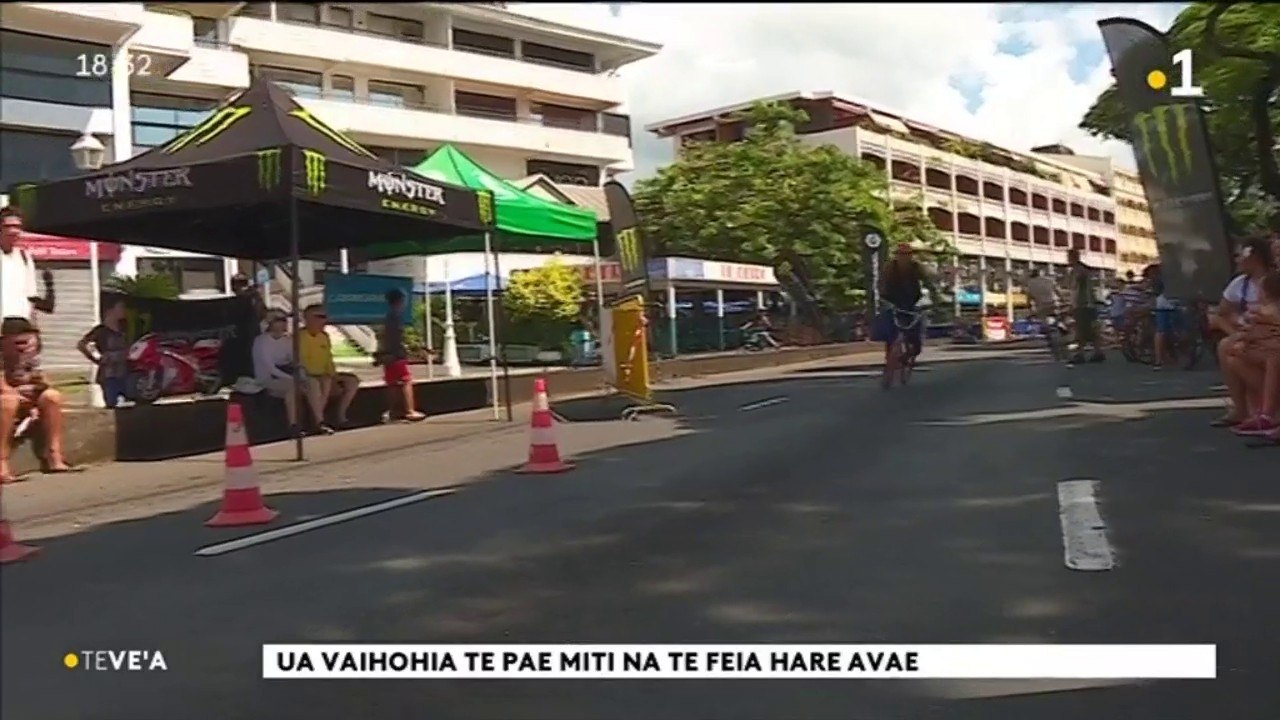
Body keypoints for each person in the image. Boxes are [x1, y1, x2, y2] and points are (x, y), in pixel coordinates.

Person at [1, 317, 76, 480]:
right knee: (8, 402)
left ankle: (53, 454)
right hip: (8, 399)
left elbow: (40, 380)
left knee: (52, 397)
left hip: (25, 398)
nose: (23, 344)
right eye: (17, 340)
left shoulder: (31, 357)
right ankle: (2, 462)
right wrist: (18, 395)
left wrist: (39, 386)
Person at [1212, 238, 1275, 427]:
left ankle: (1267, 408)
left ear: (1252, 256)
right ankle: (1242, 408)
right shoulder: (1240, 283)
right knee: (1228, 347)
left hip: (1269, 334)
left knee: (1233, 349)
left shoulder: (1274, 281)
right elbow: (1221, 314)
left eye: (1240, 255)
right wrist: (1235, 332)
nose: (1237, 260)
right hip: (1251, 333)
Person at [1229, 271, 1280, 437]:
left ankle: (1268, 413)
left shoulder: (1268, 311)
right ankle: (1265, 408)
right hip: (1264, 346)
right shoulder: (1262, 311)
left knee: (1274, 357)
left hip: (1271, 349)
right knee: (1234, 357)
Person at [878, 243, 933, 388]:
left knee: (916, 337)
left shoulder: (917, 267)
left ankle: (910, 354)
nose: (904, 258)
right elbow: (882, 285)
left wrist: (932, 298)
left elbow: (928, 283)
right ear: (896, 255)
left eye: (907, 255)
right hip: (893, 302)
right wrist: (883, 299)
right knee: (888, 330)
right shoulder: (890, 268)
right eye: (900, 255)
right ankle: (889, 359)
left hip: (912, 304)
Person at [298, 303, 358, 433]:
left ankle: (341, 417)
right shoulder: (299, 337)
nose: (323, 320)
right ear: (307, 318)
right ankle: (319, 422)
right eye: (319, 316)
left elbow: (328, 359)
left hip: (325, 374)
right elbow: (300, 361)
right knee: (319, 383)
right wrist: (321, 375)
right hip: (307, 376)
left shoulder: (324, 337)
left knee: (351, 381)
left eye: (324, 317)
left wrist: (333, 374)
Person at [375, 289, 425, 422]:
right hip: (396, 354)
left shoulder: (388, 317)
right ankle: (409, 410)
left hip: (388, 353)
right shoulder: (396, 317)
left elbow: (384, 337)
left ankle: (393, 412)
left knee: (392, 383)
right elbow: (396, 337)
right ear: (401, 301)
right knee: (405, 380)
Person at [252, 310, 301, 436]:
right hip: (267, 379)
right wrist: (291, 378)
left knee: (311, 384)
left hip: (285, 376)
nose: (283, 323)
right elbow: (269, 367)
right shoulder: (261, 341)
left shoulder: (287, 340)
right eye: (278, 320)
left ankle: (318, 421)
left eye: (284, 320)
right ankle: (293, 425)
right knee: (292, 388)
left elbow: (294, 360)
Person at [0, 207, 54, 321]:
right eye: (8, 226)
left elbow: (31, 296)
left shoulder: (24, 256)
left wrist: (50, 287)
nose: (13, 231)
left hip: (19, 324)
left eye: (17, 227)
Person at [76, 296, 130, 408]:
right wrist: (96, 358)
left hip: (125, 371)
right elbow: (82, 344)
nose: (123, 310)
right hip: (109, 374)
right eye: (120, 307)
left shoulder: (125, 328)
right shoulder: (101, 331)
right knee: (112, 404)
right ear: (110, 310)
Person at [1066, 248, 1105, 364]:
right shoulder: (1084, 269)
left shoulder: (1078, 271)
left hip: (1083, 304)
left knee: (1081, 330)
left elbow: (1076, 288)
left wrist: (1072, 304)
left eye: (1069, 257)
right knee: (1092, 329)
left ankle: (1081, 354)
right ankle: (1098, 352)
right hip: (1089, 304)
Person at [1148, 264, 1180, 370]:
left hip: (1164, 304)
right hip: (1176, 303)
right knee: (1171, 330)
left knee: (1161, 331)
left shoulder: (1161, 274)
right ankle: (1165, 358)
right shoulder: (1179, 273)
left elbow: (1155, 291)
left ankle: (1159, 360)